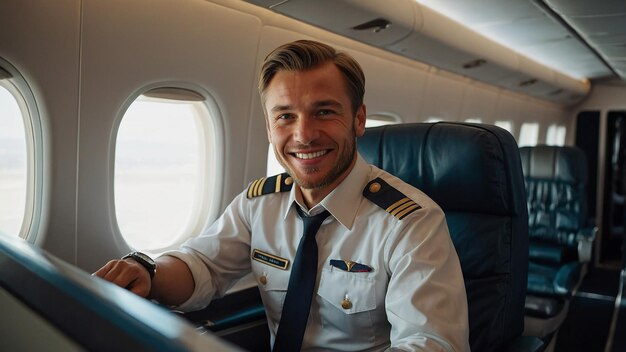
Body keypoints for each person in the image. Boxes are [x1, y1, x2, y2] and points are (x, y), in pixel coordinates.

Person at [95, 39, 470, 352]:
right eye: (285, 116)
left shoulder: (411, 222)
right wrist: (147, 271)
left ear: (359, 120)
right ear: (269, 127)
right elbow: (202, 265)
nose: (304, 135)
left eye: (324, 112)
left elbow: (429, 343)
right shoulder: (259, 204)